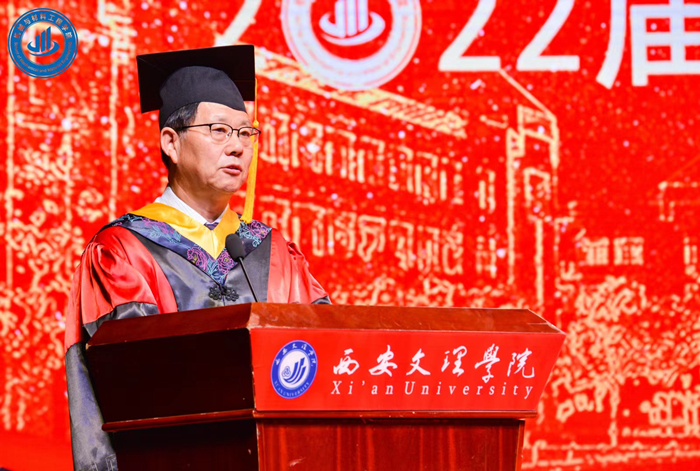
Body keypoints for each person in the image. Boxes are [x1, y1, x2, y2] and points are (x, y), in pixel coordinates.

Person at [64, 44, 330, 471]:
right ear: (171, 142)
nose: (237, 146)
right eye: (219, 130)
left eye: (246, 133)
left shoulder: (275, 251)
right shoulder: (123, 251)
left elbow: (324, 357)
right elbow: (131, 385)